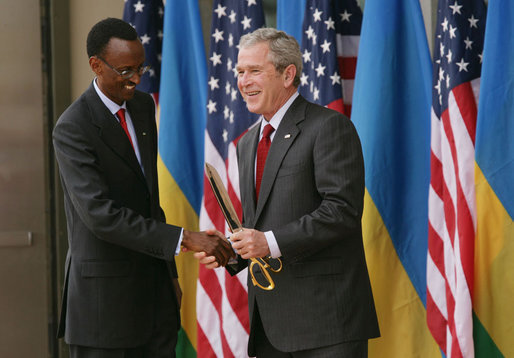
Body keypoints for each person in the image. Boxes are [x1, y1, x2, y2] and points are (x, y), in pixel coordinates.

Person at [53, 18, 233, 358]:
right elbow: (101, 216)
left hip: (155, 302)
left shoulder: (142, 106)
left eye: (140, 67)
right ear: (96, 65)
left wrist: (170, 279)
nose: (136, 79)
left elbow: (150, 201)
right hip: (103, 312)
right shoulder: (72, 128)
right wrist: (185, 238)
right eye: (125, 71)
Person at [196, 28, 380, 357]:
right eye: (239, 71)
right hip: (270, 328)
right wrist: (231, 250)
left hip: (327, 326)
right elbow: (263, 223)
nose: (243, 81)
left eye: (254, 71)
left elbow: (342, 211)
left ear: (288, 74)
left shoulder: (329, 127)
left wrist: (268, 242)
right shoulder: (248, 143)